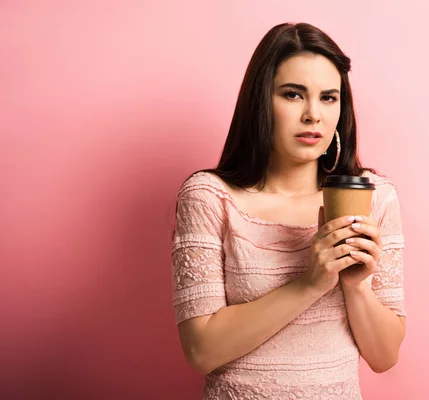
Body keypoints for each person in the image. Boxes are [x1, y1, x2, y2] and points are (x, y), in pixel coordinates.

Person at [171, 22, 406, 399]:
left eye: (329, 97)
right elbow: (201, 350)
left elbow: (383, 356)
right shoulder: (210, 197)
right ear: (260, 102)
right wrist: (310, 283)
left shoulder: (373, 197)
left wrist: (356, 285)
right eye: (293, 95)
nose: (314, 114)